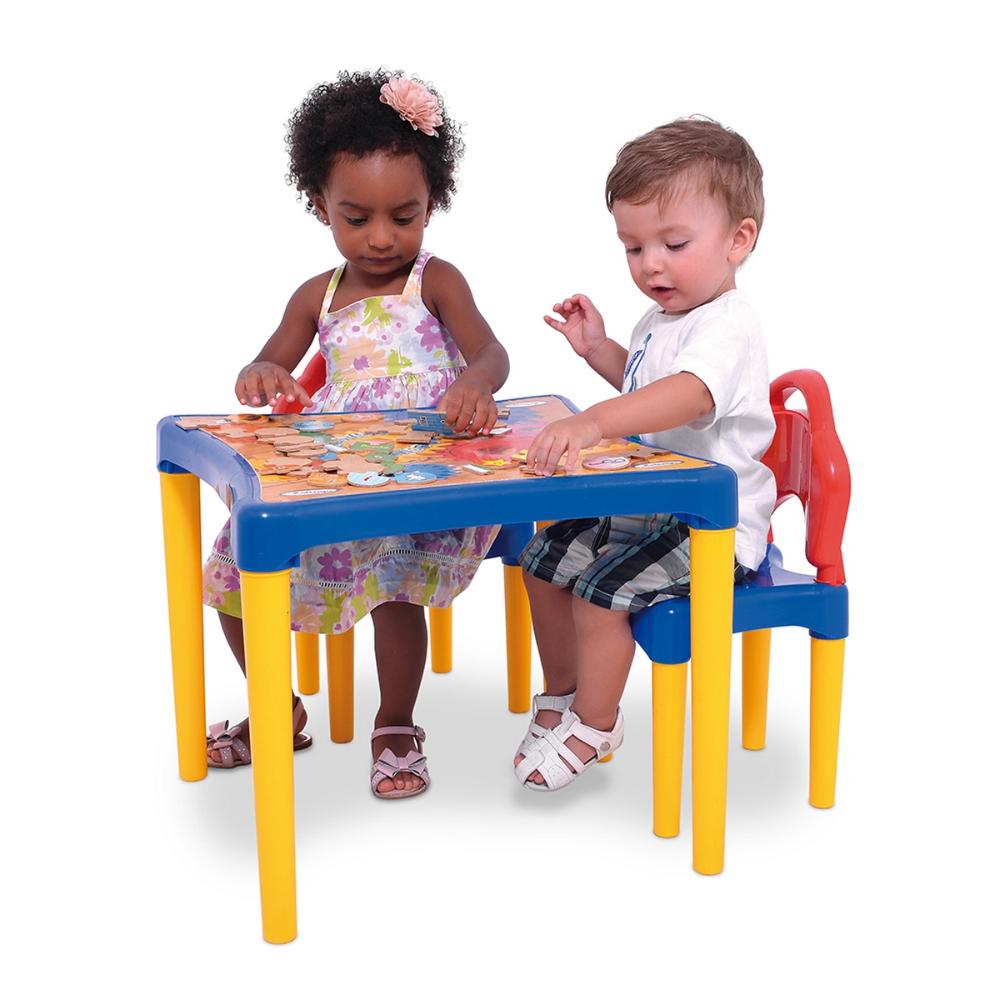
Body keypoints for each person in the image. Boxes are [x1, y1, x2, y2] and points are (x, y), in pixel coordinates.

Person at [203, 70, 509, 799]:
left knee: (395, 590)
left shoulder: (437, 280)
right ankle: (275, 705)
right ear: (320, 205)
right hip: (337, 467)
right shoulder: (317, 295)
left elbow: (492, 352)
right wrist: (262, 374)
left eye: (404, 216)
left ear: (431, 203)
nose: (381, 237)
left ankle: (396, 724)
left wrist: (474, 382)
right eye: (356, 216)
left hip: (421, 472)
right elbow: (272, 364)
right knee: (234, 573)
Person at [514, 117, 776, 791]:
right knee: (542, 561)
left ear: (738, 240)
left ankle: (598, 722)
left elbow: (686, 397)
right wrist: (598, 349)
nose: (650, 263)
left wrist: (594, 423)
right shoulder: (660, 321)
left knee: (601, 595)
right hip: (652, 508)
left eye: (673, 243)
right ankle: (565, 693)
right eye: (633, 247)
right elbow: (645, 390)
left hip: (711, 528)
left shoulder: (729, 326)